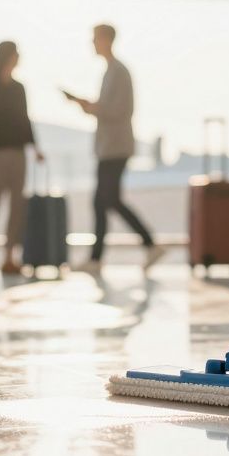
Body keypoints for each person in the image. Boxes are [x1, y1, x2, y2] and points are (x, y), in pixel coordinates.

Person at [64, 24, 165, 276]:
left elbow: (119, 110)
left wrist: (90, 107)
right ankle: (107, 256)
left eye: (94, 38)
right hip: (109, 147)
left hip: (115, 148)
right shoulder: (111, 71)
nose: (92, 43)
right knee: (104, 201)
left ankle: (143, 245)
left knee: (106, 200)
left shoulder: (119, 71)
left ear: (106, 39)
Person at [0, 41, 44, 276]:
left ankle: (9, 257)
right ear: (7, 57)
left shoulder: (18, 88)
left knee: (17, 207)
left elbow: (25, 120)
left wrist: (34, 147)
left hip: (17, 152)